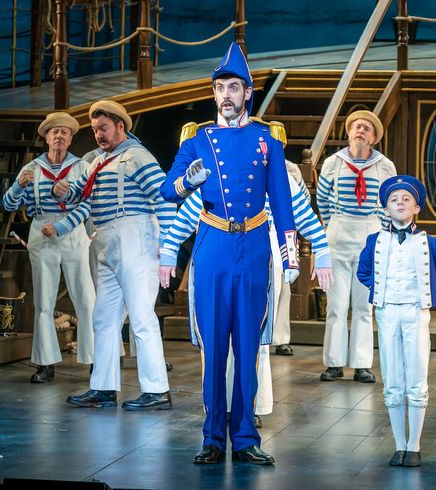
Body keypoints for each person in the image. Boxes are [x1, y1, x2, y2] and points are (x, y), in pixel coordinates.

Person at [159, 43, 297, 466]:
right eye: (220, 88)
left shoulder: (267, 138)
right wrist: (187, 181)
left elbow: (282, 198)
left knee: (249, 347)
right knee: (215, 348)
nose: (226, 96)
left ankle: (246, 434)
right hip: (214, 246)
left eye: (233, 88)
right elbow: (167, 190)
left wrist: (291, 255)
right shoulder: (198, 138)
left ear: (248, 92)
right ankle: (213, 436)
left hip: (253, 246)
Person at [158, 133, 332, 428]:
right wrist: (168, 251)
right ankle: (218, 408)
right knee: (215, 337)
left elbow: (301, 215)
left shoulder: (279, 175)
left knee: (254, 338)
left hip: (265, 250)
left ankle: (252, 407)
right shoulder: (216, 171)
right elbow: (188, 216)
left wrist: (320, 251)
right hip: (220, 249)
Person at [56, 99, 176, 411]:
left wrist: (167, 246)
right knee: (103, 317)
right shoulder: (95, 160)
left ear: (120, 126)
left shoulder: (137, 156)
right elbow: (78, 192)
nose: (98, 134)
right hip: (105, 237)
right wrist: (62, 190)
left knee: (140, 315)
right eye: (95, 129)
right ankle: (103, 386)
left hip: (135, 236)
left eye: (103, 128)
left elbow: (163, 198)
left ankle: (157, 390)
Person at [357, 175, 436, 467]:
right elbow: (364, 272)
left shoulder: (429, 242)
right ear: (385, 209)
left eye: (406, 199)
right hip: (387, 313)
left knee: (416, 376)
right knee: (392, 379)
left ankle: (414, 445)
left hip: (415, 313)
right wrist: (381, 292)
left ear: (416, 208)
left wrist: (426, 294)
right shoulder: (375, 241)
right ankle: (398, 445)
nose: (399, 203)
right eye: (393, 200)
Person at [1, 112, 95, 383]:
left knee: (85, 298)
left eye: (64, 132)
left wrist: (66, 212)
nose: (59, 136)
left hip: (73, 232)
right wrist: (18, 187)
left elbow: (89, 203)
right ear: (46, 137)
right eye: (54, 132)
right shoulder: (32, 168)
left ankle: (94, 359)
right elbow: (7, 205)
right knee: (43, 301)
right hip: (41, 231)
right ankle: (45, 363)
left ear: (70, 138)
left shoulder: (80, 168)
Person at [316, 110, 397, 383]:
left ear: (374, 137)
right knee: (336, 305)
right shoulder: (332, 163)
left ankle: (362, 363)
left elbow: (390, 203)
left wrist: (380, 231)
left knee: (364, 305)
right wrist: (334, 224)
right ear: (349, 133)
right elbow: (323, 201)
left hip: (369, 232)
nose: (360, 131)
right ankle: (334, 362)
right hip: (339, 231)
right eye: (356, 127)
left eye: (366, 128)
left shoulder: (384, 165)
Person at [272, 162, 330, 356]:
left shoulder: (289, 169)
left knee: (283, 290)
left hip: (281, 230)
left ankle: (280, 338)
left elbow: (303, 200)